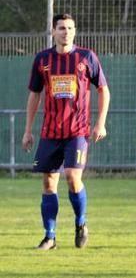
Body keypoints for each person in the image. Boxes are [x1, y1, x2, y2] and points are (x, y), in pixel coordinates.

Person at [23, 13, 110, 250]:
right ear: (53, 31)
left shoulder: (86, 57)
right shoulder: (42, 59)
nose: (66, 32)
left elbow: (103, 90)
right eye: (61, 28)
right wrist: (28, 130)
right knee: (49, 184)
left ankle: (81, 223)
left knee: (73, 178)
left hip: (77, 131)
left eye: (70, 28)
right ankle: (50, 237)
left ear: (74, 31)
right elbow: (34, 94)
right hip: (50, 132)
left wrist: (100, 123)